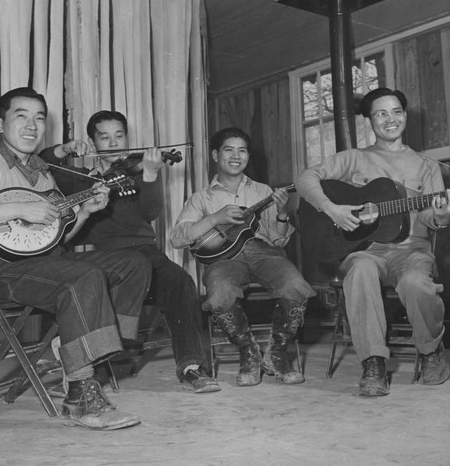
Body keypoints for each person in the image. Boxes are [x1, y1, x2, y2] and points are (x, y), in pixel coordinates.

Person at [0, 88, 151, 430]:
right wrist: (20, 208)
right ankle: (80, 395)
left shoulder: (44, 173)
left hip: (44, 264)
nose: (32, 125)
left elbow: (53, 239)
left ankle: (82, 346)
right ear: (0, 123)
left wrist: (85, 212)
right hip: (0, 272)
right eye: (21, 115)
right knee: (81, 276)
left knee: (134, 264)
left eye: (39, 118)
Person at [40, 110, 220, 394]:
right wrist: (64, 149)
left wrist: (149, 175)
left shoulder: (137, 171)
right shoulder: (78, 177)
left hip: (143, 251)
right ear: (92, 141)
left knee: (180, 281)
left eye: (119, 135)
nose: (113, 143)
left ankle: (192, 366)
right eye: (104, 137)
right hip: (97, 255)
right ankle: (90, 362)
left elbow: (150, 212)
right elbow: (43, 162)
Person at [296, 87, 450, 396]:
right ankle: (373, 362)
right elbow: (304, 179)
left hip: (413, 251)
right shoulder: (354, 158)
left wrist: (442, 214)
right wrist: (333, 209)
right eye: (381, 113)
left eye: (396, 111)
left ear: (404, 116)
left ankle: (432, 350)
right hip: (365, 250)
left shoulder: (427, 166)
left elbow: (431, 219)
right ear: (370, 120)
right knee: (362, 271)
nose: (390, 119)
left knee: (417, 284)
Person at [170, 127, 316, 387]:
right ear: (216, 155)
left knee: (297, 286)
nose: (236, 156)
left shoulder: (264, 191)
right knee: (219, 293)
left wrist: (282, 213)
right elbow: (178, 238)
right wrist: (215, 218)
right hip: (223, 260)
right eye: (229, 149)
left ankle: (276, 355)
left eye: (242, 150)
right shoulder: (200, 197)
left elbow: (279, 239)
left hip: (263, 252)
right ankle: (249, 353)